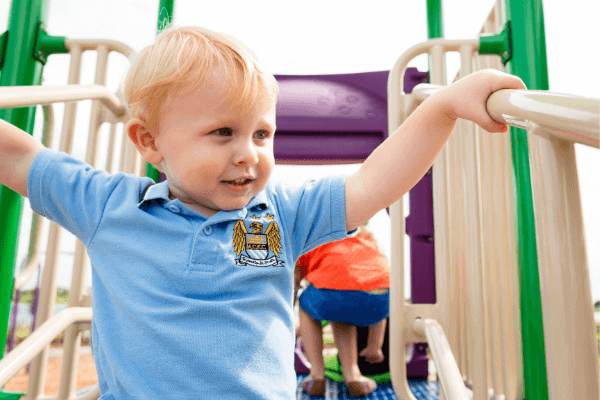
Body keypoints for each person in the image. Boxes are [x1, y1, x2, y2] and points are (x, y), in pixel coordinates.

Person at [0, 25, 526, 400]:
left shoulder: (281, 212)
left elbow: (373, 181)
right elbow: (21, 156)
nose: (249, 152)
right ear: (149, 141)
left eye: (262, 133)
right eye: (222, 132)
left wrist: (441, 108)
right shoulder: (109, 206)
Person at [295, 226, 390, 397]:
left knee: (305, 304)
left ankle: (316, 375)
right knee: (345, 309)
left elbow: (295, 280)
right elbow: (378, 277)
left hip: (335, 296)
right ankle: (355, 375)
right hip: (383, 299)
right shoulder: (366, 242)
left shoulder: (316, 242)